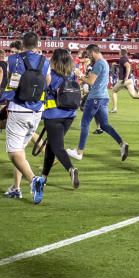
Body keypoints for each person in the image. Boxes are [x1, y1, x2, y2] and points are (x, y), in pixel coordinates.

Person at [1, 32, 50, 203]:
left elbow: (12, 83)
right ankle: (16, 188)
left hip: (19, 109)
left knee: (14, 153)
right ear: (38, 44)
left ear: (22, 44)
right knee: (20, 151)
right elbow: (48, 82)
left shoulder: (14, 59)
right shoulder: (45, 61)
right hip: (37, 110)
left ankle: (34, 180)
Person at [68, 44, 128, 163]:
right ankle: (122, 143)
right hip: (103, 97)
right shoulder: (104, 63)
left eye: (88, 53)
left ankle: (79, 152)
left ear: (93, 52)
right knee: (104, 125)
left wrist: (79, 74)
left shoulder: (99, 63)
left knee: (85, 123)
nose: (88, 56)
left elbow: (90, 81)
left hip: (95, 97)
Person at [38, 50, 81, 191]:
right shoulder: (72, 75)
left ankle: (71, 169)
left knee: (57, 147)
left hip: (53, 115)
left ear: (55, 61)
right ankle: (43, 176)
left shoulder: (52, 76)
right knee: (51, 145)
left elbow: (42, 90)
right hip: (70, 115)